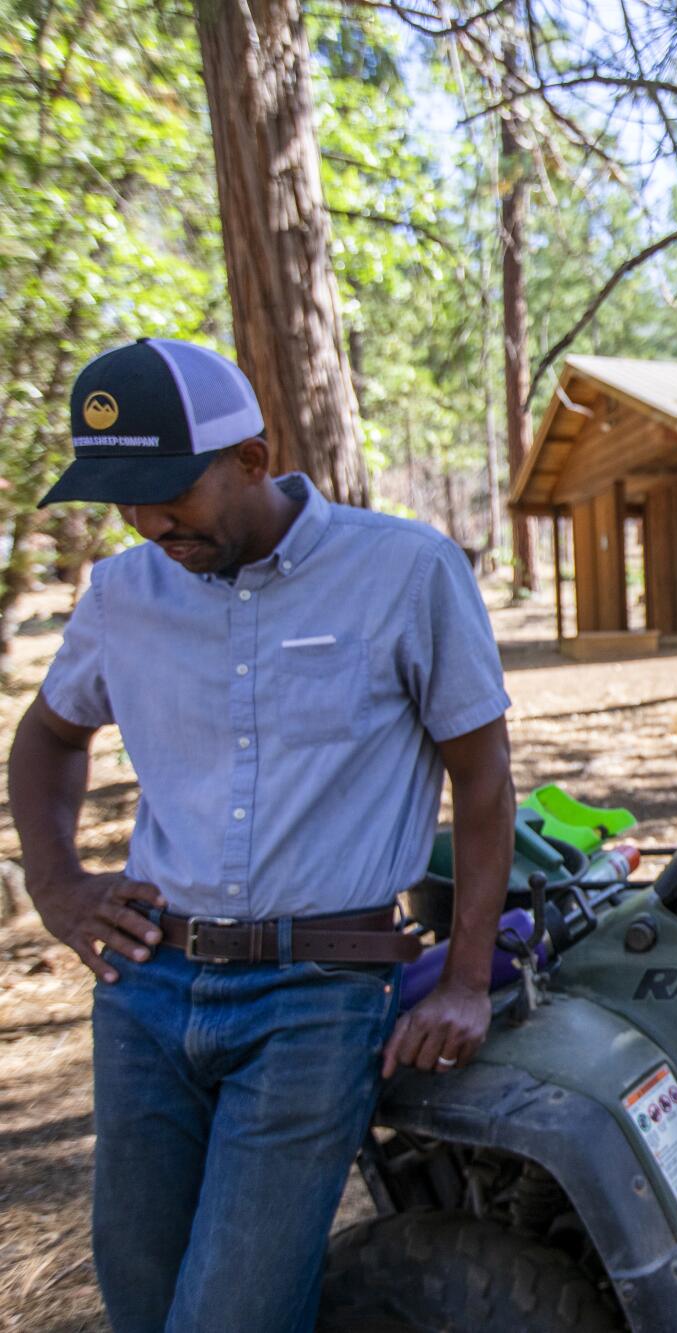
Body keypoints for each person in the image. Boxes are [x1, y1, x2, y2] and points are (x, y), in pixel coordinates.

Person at [9, 338, 517, 1333]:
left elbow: (484, 779)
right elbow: (49, 737)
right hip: (146, 989)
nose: (151, 522)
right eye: (123, 499)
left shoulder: (404, 570)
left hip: (316, 994)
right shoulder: (122, 594)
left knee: (230, 1315)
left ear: (250, 456)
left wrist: (464, 978)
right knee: (143, 1300)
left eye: (169, 492)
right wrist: (57, 886)